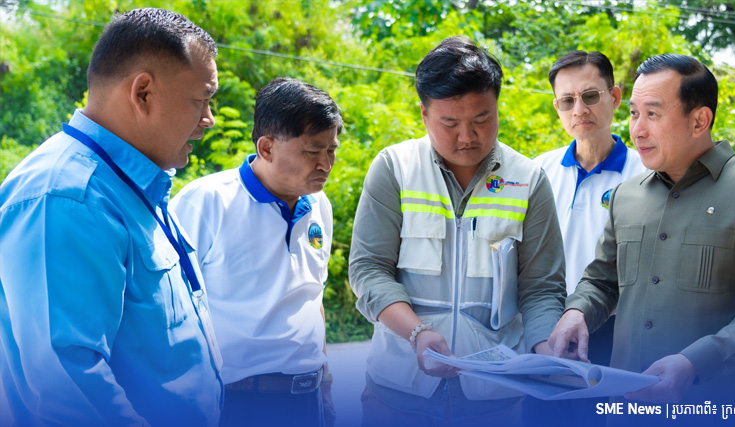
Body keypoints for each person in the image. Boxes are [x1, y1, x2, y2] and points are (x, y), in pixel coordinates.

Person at [548, 54, 735, 426]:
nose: (637, 130)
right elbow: (601, 281)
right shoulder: (626, 196)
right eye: (634, 114)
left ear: (699, 120)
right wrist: (576, 313)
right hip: (627, 408)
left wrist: (694, 362)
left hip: (718, 408)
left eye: (653, 114)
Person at [0, 8, 222, 426]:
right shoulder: (69, 197)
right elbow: (70, 389)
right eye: (202, 100)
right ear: (143, 93)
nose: (208, 120)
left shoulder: (130, 185)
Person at [349, 36, 566, 426]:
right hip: (398, 393)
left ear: (497, 106)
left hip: (495, 395)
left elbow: (542, 287)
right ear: (424, 113)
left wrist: (546, 348)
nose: (467, 137)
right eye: (450, 123)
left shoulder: (528, 180)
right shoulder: (395, 168)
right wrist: (418, 333)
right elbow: (368, 269)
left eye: (482, 119)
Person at [170, 77, 342, 427]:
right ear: (266, 148)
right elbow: (171, 309)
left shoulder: (318, 205)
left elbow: (314, 296)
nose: (326, 164)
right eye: (313, 151)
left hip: (308, 400)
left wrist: (324, 384)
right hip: (236, 402)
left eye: (331, 150)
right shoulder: (206, 203)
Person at [525, 50, 646, 424]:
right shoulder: (538, 171)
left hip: (614, 333)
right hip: (545, 330)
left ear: (615, 97)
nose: (579, 109)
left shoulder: (646, 174)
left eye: (590, 96)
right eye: (567, 100)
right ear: (557, 107)